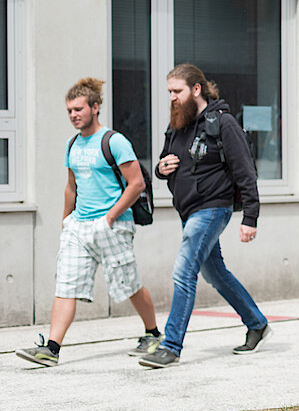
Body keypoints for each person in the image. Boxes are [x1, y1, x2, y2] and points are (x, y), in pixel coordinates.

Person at [17, 78, 161, 367]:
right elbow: (71, 186)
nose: (73, 115)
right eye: (69, 110)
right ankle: (51, 349)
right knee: (66, 286)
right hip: (79, 228)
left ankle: (153, 334)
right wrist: (66, 219)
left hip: (113, 225)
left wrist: (109, 217)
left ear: (95, 108)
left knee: (128, 284)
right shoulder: (72, 144)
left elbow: (136, 184)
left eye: (79, 109)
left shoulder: (114, 141)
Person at [137, 64, 269, 369]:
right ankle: (257, 323)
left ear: (196, 89)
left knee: (184, 271)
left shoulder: (224, 124)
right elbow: (163, 162)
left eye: (177, 91)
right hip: (188, 209)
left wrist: (251, 218)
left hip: (213, 208)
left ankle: (170, 345)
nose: (172, 97)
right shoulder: (178, 123)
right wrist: (160, 169)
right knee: (215, 273)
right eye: (169, 91)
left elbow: (246, 173)